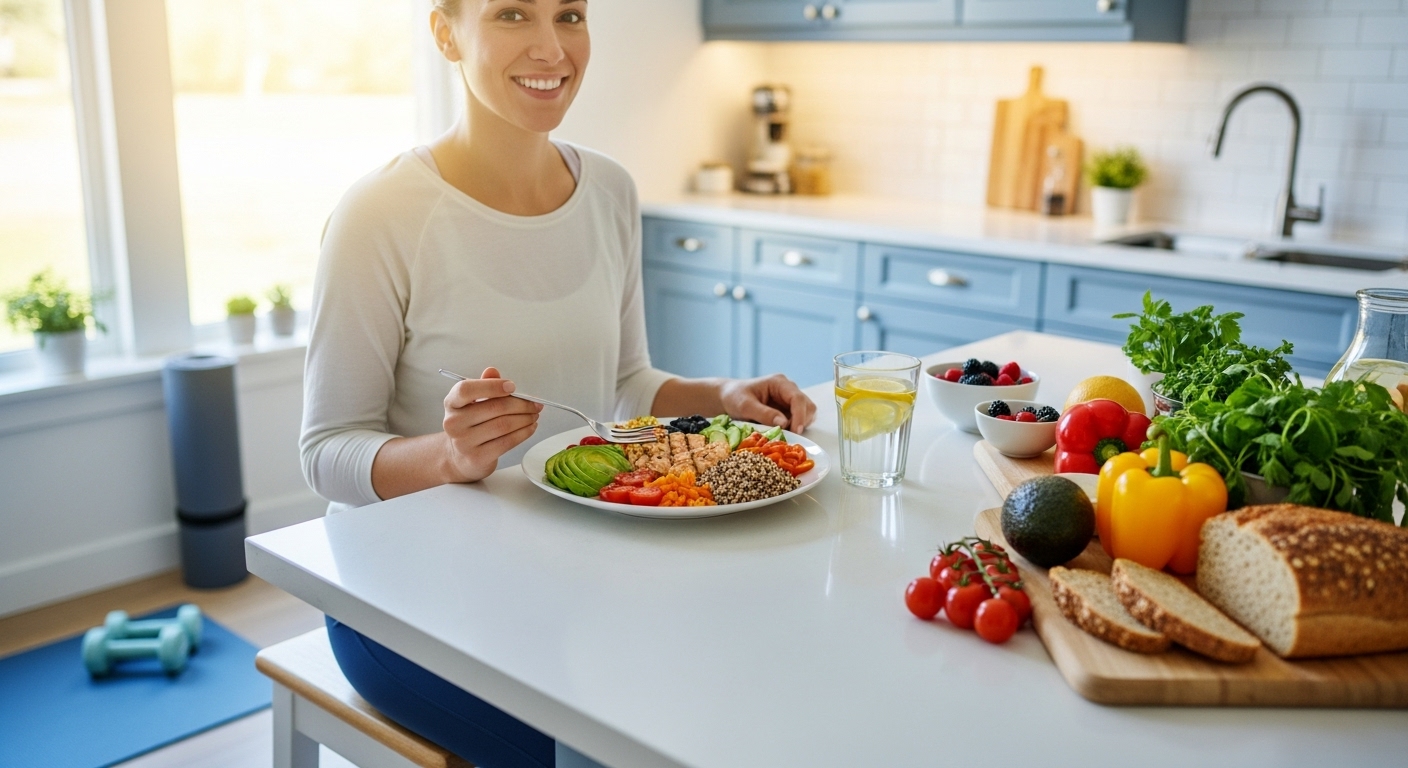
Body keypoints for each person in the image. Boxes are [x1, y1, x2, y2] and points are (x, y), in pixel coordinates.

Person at [297, 1, 816, 766]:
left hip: (566, 574)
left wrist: (722, 396)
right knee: (603, 752)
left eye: (570, 14)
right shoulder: (379, 215)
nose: (552, 47)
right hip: (401, 604)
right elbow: (325, 452)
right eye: (512, 13)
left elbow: (627, 385)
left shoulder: (608, 189)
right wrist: (449, 458)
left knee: (727, 702)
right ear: (447, 32)